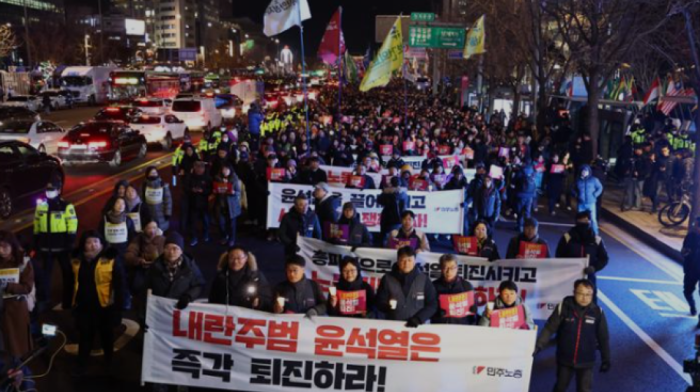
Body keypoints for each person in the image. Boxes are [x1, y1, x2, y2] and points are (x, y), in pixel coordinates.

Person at [534, 279, 611, 392]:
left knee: (584, 390)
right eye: (581, 293)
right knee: (560, 388)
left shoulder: (597, 312)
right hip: (565, 359)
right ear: (574, 292)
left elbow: (603, 338)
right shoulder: (563, 308)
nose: (584, 297)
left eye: (588, 294)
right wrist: (538, 345)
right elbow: (549, 328)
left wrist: (606, 359)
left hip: (586, 361)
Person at [68, 230, 124, 376]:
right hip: (84, 306)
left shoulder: (110, 258)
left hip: (105, 307)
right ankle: (82, 365)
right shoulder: (76, 259)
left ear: (101, 244)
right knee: (85, 337)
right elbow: (71, 282)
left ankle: (109, 362)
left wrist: (119, 308)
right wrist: (69, 303)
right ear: (83, 245)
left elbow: (120, 284)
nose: (92, 245)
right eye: (88, 242)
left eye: (95, 242)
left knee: (107, 336)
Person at [33, 179, 78, 310]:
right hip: (46, 246)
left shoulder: (66, 206)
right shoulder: (41, 206)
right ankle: (44, 300)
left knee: (67, 273)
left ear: (59, 190)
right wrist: (36, 241)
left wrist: (70, 241)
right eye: (47, 190)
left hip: (62, 246)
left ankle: (68, 300)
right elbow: (37, 224)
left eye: (52, 190)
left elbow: (72, 224)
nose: (49, 192)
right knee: (44, 275)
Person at [375, 246, 438, 327]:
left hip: (418, 328)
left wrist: (419, 319)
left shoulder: (424, 279)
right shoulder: (387, 279)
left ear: (414, 261)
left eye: (409, 260)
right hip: (392, 326)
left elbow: (432, 304)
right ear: (398, 261)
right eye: (403, 260)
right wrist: (386, 306)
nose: (406, 264)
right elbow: (379, 301)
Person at [556, 211, 609, 302]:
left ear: (589, 222)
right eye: (581, 221)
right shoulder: (567, 237)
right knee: (569, 298)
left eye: (586, 220)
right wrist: (567, 267)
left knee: (589, 299)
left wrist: (594, 268)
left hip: (589, 276)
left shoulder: (596, 240)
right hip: (569, 275)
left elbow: (604, 258)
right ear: (576, 221)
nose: (583, 223)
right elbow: (559, 255)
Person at [144, 232, 204, 313]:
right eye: (167, 248)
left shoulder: (190, 267)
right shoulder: (155, 267)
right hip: (160, 310)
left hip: (181, 310)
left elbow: (199, 285)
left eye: (175, 248)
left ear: (181, 251)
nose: (171, 252)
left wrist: (188, 296)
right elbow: (145, 288)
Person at [0, 231, 34, 358]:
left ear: (12, 245)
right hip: (1, 307)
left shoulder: (23, 262)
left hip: (15, 308)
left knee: (16, 344)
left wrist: (8, 286)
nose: (1, 250)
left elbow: (27, 287)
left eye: (4, 246)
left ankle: (20, 370)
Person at [208, 246, 273, 311]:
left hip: (247, 316)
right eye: (232, 258)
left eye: (239, 258)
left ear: (246, 258)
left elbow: (267, 298)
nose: (235, 261)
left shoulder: (256, 277)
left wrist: (259, 302)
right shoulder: (221, 277)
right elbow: (213, 299)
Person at [124, 220, 164, 320]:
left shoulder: (163, 240)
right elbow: (129, 254)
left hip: (159, 271)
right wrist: (139, 260)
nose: (152, 231)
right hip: (143, 270)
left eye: (154, 227)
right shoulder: (138, 239)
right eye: (149, 228)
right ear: (144, 229)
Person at [431, 254, 477, 325]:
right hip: (439, 327)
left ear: (457, 268)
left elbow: (473, 315)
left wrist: (473, 309)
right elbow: (427, 309)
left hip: (460, 329)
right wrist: (437, 312)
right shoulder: (433, 286)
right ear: (441, 268)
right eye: (445, 268)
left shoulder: (466, 286)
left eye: (452, 268)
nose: (449, 271)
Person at [212, 164, 241, 247]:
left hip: (232, 205)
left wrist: (233, 193)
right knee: (221, 223)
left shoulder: (235, 179)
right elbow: (214, 189)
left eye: (227, 170)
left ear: (230, 170)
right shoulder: (217, 178)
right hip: (220, 204)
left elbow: (239, 192)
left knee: (232, 224)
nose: (225, 171)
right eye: (223, 170)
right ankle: (224, 236)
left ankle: (232, 238)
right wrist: (215, 191)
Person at [572, 165, 603, 235]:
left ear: (589, 172)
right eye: (583, 171)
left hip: (591, 203)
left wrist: (595, 195)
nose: (584, 172)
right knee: (580, 219)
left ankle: (595, 233)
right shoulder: (578, 180)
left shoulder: (594, 180)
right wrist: (576, 195)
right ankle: (579, 232)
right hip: (581, 203)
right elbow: (572, 188)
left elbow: (600, 187)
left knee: (593, 219)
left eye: (585, 171)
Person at [187, 161, 212, 246]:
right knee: (193, 221)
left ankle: (206, 234)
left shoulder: (207, 178)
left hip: (204, 203)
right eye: (197, 168)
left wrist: (203, 191)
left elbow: (210, 190)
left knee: (205, 220)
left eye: (201, 168)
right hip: (193, 203)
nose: (199, 170)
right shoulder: (190, 177)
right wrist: (192, 190)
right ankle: (194, 237)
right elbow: (186, 188)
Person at [377, 177, 408, 245]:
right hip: (398, 217)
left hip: (389, 217)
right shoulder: (404, 193)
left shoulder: (389, 193)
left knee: (386, 235)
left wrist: (385, 192)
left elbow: (379, 200)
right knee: (396, 236)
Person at [141, 166, 173, 231]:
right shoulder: (144, 185)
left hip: (161, 212)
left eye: (155, 172)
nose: (153, 174)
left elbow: (168, 200)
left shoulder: (163, 184)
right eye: (151, 173)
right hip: (149, 212)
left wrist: (167, 213)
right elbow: (141, 198)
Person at [682, 217, 700, 321]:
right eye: (696, 225)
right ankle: (692, 305)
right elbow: (683, 251)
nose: (697, 228)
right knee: (687, 291)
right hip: (691, 269)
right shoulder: (691, 237)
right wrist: (687, 252)